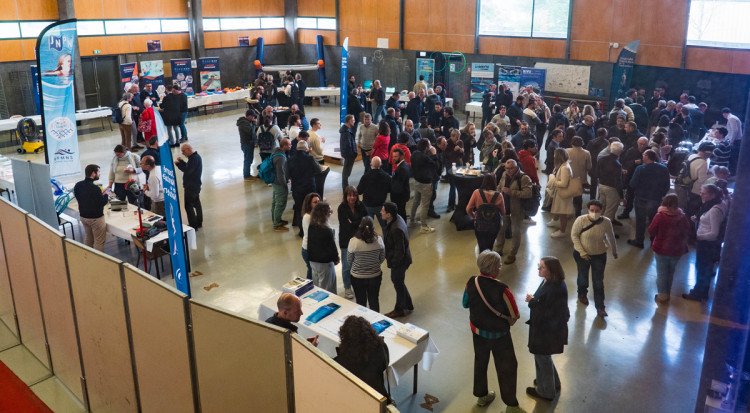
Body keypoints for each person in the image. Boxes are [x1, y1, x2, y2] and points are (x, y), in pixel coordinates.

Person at [462, 250, 526, 413]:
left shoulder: (471, 282)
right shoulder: (502, 289)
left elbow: (465, 303)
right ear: (494, 270)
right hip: (499, 336)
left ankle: (482, 396)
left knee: (480, 362)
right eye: (499, 264)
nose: (500, 266)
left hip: (477, 332)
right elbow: (515, 314)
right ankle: (511, 405)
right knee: (507, 367)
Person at [524, 257, 569, 401]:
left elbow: (547, 313)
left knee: (542, 358)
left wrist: (532, 302)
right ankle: (552, 383)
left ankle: (546, 391)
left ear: (551, 270)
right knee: (544, 358)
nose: (538, 269)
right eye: (539, 265)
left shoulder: (554, 288)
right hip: (548, 330)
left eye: (542, 267)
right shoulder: (550, 282)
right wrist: (534, 300)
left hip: (546, 332)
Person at [571, 200, 618, 318]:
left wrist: (614, 250)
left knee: (598, 281)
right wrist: (582, 252)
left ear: (601, 211)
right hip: (582, 254)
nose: (594, 213)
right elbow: (574, 236)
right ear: (588, 210)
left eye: (597, 211)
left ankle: (600, 307)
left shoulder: (606, 222)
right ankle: (582, 293)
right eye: (592, 210)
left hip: (599, 254)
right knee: (583, 276)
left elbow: (611, 236)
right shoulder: (580, 220)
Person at [683, 184, 727, 302]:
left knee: (702, 268)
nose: (701, 195)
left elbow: (714, 233)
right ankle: (702, 291)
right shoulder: (717, 205)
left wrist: (698, 236)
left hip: (707, 243)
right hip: (709, 243)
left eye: (704, 193)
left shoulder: (714, 211)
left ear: (712, 195)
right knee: (705, 269)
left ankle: (697, 294)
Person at [649, 194, 691, 304]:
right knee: (670, 273)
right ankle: (667, 292)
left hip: (661, 248)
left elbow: (651, 230)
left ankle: (662, 296)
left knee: (662, 273)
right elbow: (687, 231)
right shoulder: (682, 216)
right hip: (677, 249)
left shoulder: (660, 216)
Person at [334, 316, 390, 399]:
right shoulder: (381, 347)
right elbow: (384, 365)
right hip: (378, 395)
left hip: (354, 397)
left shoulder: (339, 362)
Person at [627, 149, 670, 248]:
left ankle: (639, 241)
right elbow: (666, 185)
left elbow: (632, 183)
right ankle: (653, 240)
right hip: (655, 198)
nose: (642, 155)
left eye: (644, 154)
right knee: (653, 220)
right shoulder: (663, 168)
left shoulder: (640, 168)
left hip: (641, 197)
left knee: (640, 220)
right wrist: (661, 194)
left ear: (647, 156)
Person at [347, 217, 386, 311]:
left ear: (360, 226)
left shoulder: (353, 242)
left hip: (357, 277)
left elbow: (349, 260)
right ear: (373, 228)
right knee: (374, 301)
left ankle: (362, 323)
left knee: (361, 302)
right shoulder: (379, 240)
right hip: (375, 276)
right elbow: (382, 258)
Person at [382, 202, 413, 318]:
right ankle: (408, 304)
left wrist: (393, 263)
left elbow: (400, 251)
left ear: (389, 214)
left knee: (397, 283)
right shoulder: (396, 218)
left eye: (383, 210)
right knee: (398, 282)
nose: (381, 212)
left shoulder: (396, 229)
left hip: (400, 262)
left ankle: (399, 309)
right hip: (401, 260)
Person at [338, 186, 368, 299]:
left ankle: (358, 284)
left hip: (360, 240)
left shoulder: (361, 205)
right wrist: (359, 223)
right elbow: (346, 226)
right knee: (346, 266)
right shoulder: (342, 208)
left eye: (354, 195)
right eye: (350, 195)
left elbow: (367, 219)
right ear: (346, 196)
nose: (352, 197)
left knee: (358, 263)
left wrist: (354, 222)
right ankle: (347, 287)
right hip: (346, 241)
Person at [74, 164, 111, 252]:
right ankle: (99, 261)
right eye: (98, 172)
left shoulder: (78, 185)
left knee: (89, 239)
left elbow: (82, 198)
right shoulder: (95, 188)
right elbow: (102, 203)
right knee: (99, 242)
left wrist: (100, 195)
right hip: (95, 219)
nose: (99, 174)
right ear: (93, 173)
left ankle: (88, 257)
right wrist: (106, 195)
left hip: (83, 216)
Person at [466, 174, 505, 252]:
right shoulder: (499, 195)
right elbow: (503, 212)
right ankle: (488, 260)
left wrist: (474, 216)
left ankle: (482, 261)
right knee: (490, 245)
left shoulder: (476, 193)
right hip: (494, 226)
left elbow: (468, 209)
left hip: (480, 224)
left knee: (481, 245)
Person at [287, 141, 322, 229]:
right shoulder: (310, 158)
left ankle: (302, 230)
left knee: (299, 208)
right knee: (311, 208)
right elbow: (319, 170)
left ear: (296, 148)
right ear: (306, 149)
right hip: (309, 187)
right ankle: (312, 227)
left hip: (297, 188)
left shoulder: (290, 159)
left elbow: (287, 175)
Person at [307, 202, 339, 293]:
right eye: (329, 211)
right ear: (323, 214)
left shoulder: (311, 227)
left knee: (317, 288)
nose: (330, 213)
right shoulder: (326, 230)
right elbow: (332, 248)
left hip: (313, 262)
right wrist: (336, 258)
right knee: (328, 290)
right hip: (325, 264)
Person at [675, 141, 713, 219]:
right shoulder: (703, 163)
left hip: (683, 184)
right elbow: (702, 180)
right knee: (690, 211)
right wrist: (710, 175)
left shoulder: (691, 156)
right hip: (694, 190)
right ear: (707, 153)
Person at [548, 149, 575, 238]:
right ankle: (555, 220)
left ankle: (562, 231)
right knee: (558, 208)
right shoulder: (562, 165)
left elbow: (564, 183)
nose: (553, 156)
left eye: (555, 155)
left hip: (563, 194)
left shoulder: (565, 168)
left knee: (563, 213)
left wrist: (553, 181)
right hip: (560, 193)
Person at [175, 143, 203, 229]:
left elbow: (188, 171)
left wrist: (178, 164)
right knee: (196, 204)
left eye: (183, 151)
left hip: (191, 187)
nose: (183, 153)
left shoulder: (194, 159)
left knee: (189, 206)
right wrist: (182, 162)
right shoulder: (194, 158)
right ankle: (198, 222)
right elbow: (189, 167)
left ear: (189, 149)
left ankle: (193, 225)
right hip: (195, 185)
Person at [596, 141, 624, 226]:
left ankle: (599, 224)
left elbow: (597, 173)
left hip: (601, 185)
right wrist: (621, 196)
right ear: (620, 151)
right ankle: (605, 232)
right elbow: (618, 181)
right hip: (612, 188)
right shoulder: (617, 164)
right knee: (609, 210)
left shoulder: (602, 159)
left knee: (602, 207)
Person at [565, 137, 591, 217]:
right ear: (582, 143)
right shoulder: (586, 153)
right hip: (580, 179)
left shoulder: (567, 151)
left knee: (567, 195)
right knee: (578, 197)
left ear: (572, 143)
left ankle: (567, 212)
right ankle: (578, 213)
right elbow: (589, 167)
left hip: (568, 177)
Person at [271, 139, 291, 232]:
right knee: (280, 203)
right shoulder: (281, 158)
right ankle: (277, 225)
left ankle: (276, 219)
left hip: (274, 182)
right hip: (279, 183)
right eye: (289, 144)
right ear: (284, 145)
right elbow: (280, 174)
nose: (291, 146)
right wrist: (284, 185)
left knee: (275, 202)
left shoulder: (276, 151)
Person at [300, 192, 320, 278]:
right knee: (311, 271)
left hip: (314, 248)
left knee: (314, 271)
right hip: (308, 250)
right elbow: (313, 234)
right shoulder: (307, 217)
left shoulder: (316, 214)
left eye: (319, 201)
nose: (318, 204)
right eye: (315, 202)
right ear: (309, 204)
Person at [445, 128, 465, 212]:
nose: (458, 139)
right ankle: (451, 205)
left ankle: (460, 204)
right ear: (452, 137)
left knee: (460, 186)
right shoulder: (447, 143)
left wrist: (462, 151)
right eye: (457, 137)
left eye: (459, 137)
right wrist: (454, 150)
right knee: (452, 186)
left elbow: (461, 155)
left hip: (459, 166)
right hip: (451, 167)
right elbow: (447, 156)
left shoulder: (460, 142)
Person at [237, 109, 259, 181]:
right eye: (253, 117)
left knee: (249, 159)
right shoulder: (243, 123)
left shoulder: (248, 122)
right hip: (246, 144)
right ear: (249, 116)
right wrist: (254, 123)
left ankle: (247, 174)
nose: (254, 118)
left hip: (249, 143)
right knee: (248, 160)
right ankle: (246, 176)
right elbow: (251, 132)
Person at [390, 148, 411, 221]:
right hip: (403, 194)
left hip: (400, 197)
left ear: (402, 156)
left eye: (396, 156)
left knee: (401, 213)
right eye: (393, 156)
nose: (393, 159)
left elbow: (398, 186)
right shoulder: (404, 165)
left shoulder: (402, 169)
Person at [722, 107, 743, 174]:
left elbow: (735, 130)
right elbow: (731, 130)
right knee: (734, 157)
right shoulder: (733, 117)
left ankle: (733, 172)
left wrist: (731, 140)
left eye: (723, 114)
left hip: (736, 141)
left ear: (724, 114)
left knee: (733, 157)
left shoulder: (731, 118)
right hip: (736, 140)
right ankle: (733, 172)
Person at [339, 114, 357, 190]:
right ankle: (345, 187)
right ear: (349, 121)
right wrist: (352, 154)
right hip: (349, 155)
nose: (354, 121)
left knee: (347, 172)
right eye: (353, 120)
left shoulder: (347, 130)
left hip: (350, 155)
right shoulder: (346, 132)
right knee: (346, 172)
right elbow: (346, 145)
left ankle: (345, 185)